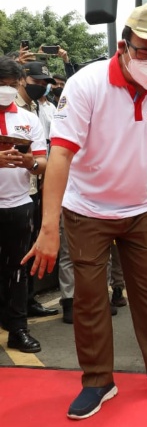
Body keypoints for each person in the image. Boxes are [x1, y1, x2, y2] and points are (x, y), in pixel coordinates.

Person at [23, 2, 147, 419]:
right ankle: (98, 379)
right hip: (87, 210)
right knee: (89, 297)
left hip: (141, 209)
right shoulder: (86, 85)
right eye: (146, 52)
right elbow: (60, 154)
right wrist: (50, 227)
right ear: (123, 45)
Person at [0, 58, 47, 352]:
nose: (5, 90)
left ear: (19, 83)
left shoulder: (29, 120)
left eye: (9, 85)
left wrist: (31, 163)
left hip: (18, 204)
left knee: (18, 270)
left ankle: (18, 328)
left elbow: (43, 163)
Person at [17, 61, 59, 318]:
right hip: (12, 191)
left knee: (32, 246)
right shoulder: (13, 110)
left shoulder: (37, 108)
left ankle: (28, 300)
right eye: (37, 82)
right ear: (22, 79)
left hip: (35, 185)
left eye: (45, 84)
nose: (41, 87)